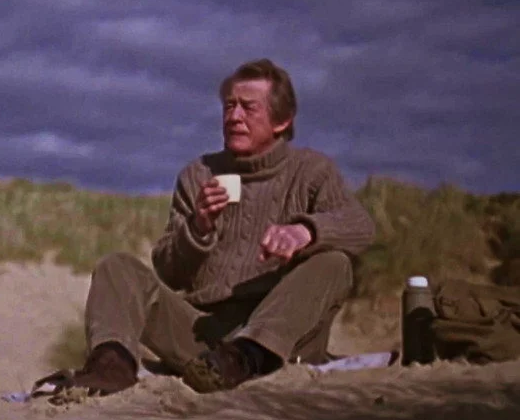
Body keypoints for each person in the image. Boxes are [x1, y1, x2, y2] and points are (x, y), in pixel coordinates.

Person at [58, 58, 375, 395]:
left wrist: (304, 232)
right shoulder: (198, 175)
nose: (234, 117)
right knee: (117, 267)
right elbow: (169, 273)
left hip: (280, 339)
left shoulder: (312, 172)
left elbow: (360, 227)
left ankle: (247, 356)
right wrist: (198, 228)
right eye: (229, 106)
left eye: (248, 108)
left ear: (282, 120)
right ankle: (110, 369)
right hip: (205, 343)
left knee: (334, 262)